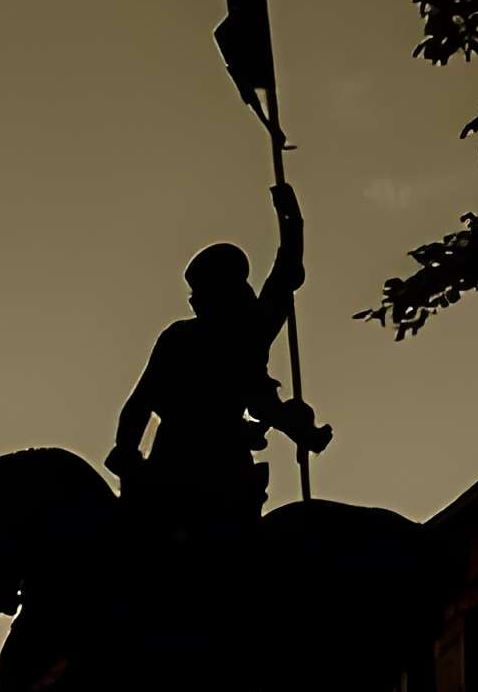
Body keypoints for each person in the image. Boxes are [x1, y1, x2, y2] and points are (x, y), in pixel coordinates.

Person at [107, 180, 331, 546]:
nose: (195, 301)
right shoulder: (186, 336)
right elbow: (138, 406)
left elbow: (285, 274)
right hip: (178, 469)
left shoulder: (244, 331)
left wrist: (291, 219)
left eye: (202, 294)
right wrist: (128, 457)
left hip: (213, 473)